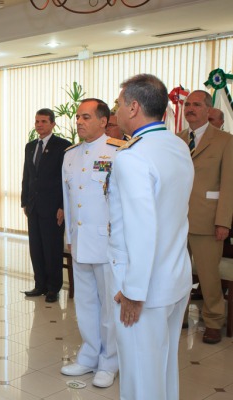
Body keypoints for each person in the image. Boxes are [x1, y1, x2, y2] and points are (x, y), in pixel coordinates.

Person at [108, 74, 193, 400]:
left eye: (118, 104)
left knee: (141, 377)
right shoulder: (177, 145)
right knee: (164, 368)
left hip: (145, 290)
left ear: (133, 107)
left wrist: (133, 291)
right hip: (176, 278)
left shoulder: (132, 157)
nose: (116, 111)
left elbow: (142, 230)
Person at [60, 99, 118, 388]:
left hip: (108, 244)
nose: (79, 121)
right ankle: (88, 356)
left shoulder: (119, 151)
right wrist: (70, 238)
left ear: (103, 121)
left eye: (85, 117)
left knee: (109, 306)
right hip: (81, 243)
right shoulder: (70, 155)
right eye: (78, 117)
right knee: (84, 303)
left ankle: (109, 362)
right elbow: (70, 203)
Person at [177, 90, 233, 345]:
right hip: (176, 221)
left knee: (209, 277)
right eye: (187, 104)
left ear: (208, 110)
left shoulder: (224, 141)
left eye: (196, 104)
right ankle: (180, 316)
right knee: (178, 274)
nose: (190, 108)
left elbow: (229, 185)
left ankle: (213, 322)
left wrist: (224, 222)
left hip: (207, 220)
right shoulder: (177, 140)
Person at [21, 108, 71, 303]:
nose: (39, 125)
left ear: (52, 124)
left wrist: (62, 206)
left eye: (43, 121)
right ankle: (39, 284)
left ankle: (53, 288)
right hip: (33, 206)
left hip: (53, 207)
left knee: (52, 249)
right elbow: (27, 175)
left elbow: (65, 179)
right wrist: (25, 201)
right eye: (36, 121)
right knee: (36, 248)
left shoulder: (63, 146)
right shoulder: (31, 146)